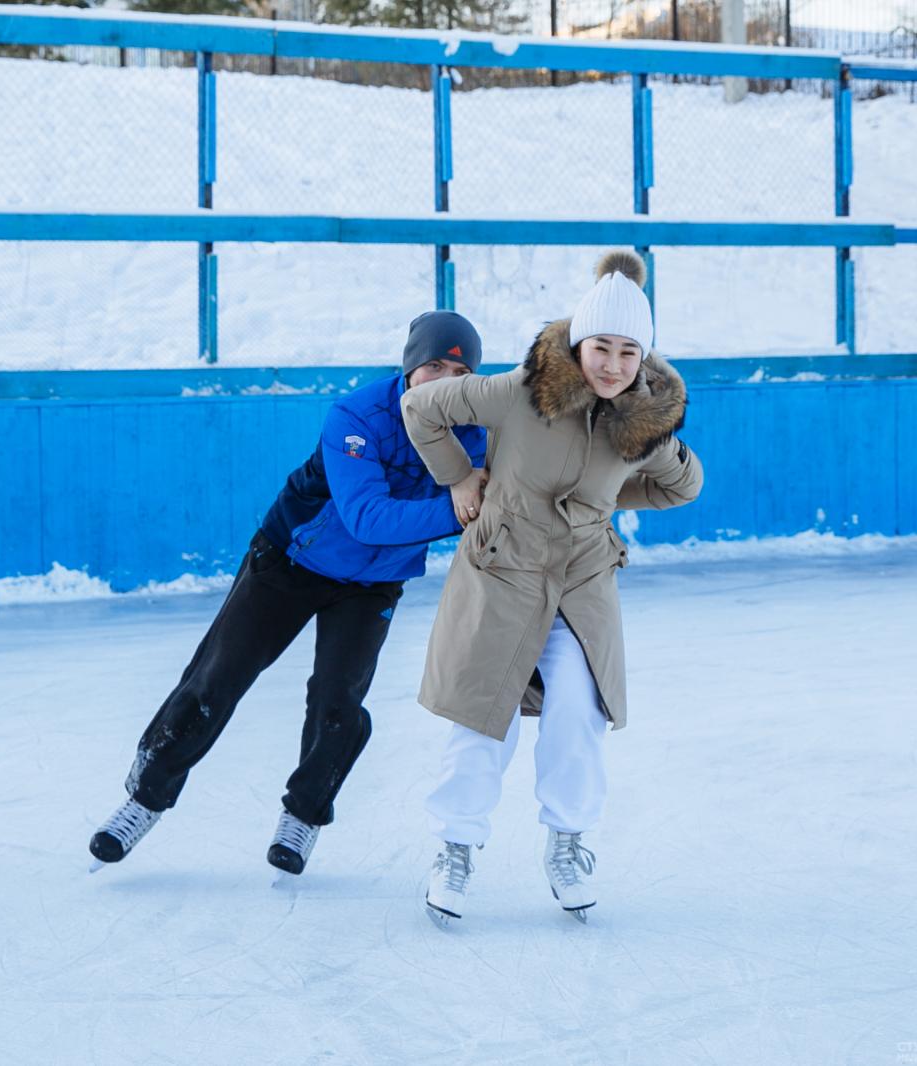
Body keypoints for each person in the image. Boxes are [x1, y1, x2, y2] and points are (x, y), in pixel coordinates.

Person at [89, 311, 490, 878]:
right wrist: (460, 504)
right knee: (216, 680)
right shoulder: (358, 414)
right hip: (291, 560)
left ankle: (303, 814)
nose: (445, 380)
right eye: (432, 366)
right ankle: (143, 800)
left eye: (459, 369)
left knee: (338, 703)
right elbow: (365, 517)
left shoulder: (478, 433)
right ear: (409, 367)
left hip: (373, 583)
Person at [400, 250, 703, 925]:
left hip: (580, 583)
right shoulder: (516, 392)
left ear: (644, 359)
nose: (612, 365)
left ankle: (568, 845)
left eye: (629, 352)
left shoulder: (639, 422)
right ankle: (455, 849)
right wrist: (457, 475)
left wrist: (623, 475)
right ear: (577, 341)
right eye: (601, 346)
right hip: (502, 571)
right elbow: (421, 406)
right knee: (483, 720)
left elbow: (683, 485)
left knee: (579, 709)